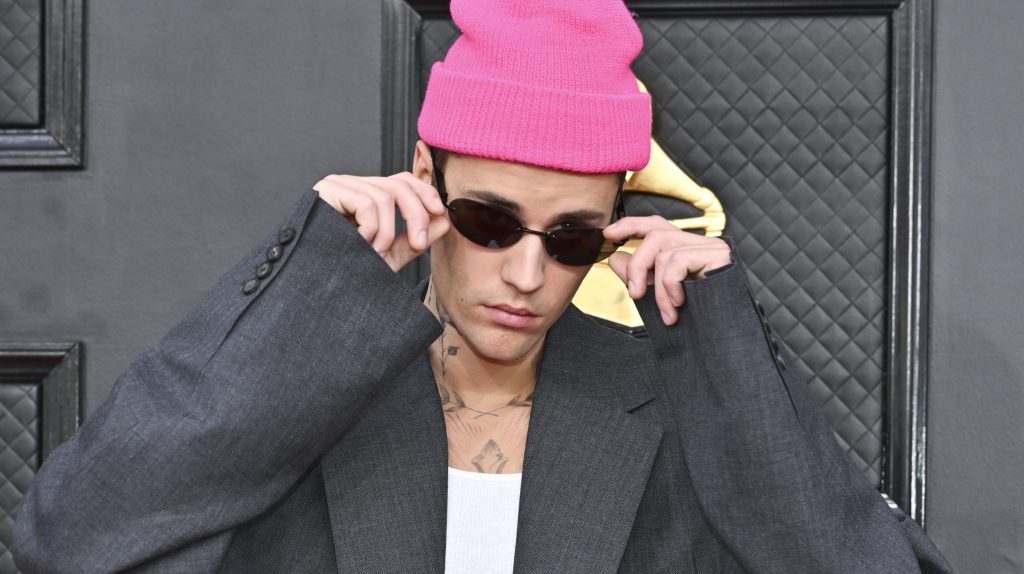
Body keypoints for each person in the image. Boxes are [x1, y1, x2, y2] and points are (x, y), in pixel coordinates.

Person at [13, 0, 953, 572]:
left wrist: (731, 350)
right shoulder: (300, 390)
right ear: (426, 177)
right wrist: (307, 286)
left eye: (573, 237)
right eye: (490, 222)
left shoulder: (674, 408)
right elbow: (75, 544)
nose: (527, 274)